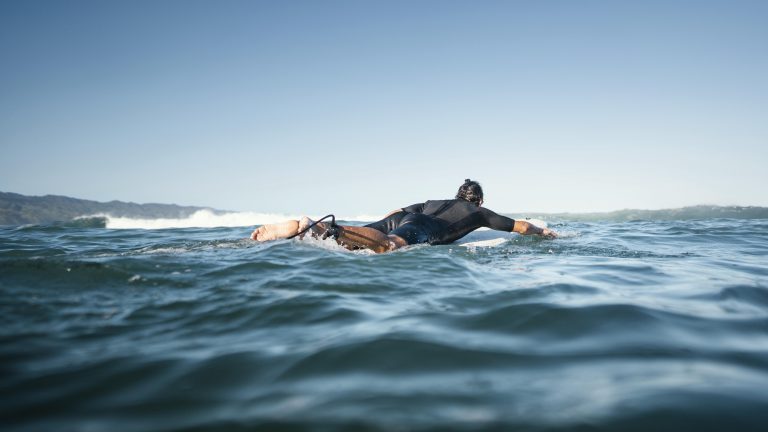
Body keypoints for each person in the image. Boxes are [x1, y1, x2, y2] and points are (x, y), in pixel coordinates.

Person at [250, 179, 557, 253]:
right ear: (479, 200)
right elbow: (521, 226)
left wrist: (383, 224)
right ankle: (323, 228)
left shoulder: (432, 199)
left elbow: (398, 211)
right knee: (387, 246)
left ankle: (310, 229)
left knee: (357, 241)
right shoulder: (480, 213)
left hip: (407, 216)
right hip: (425, 226)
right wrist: (545, 233)